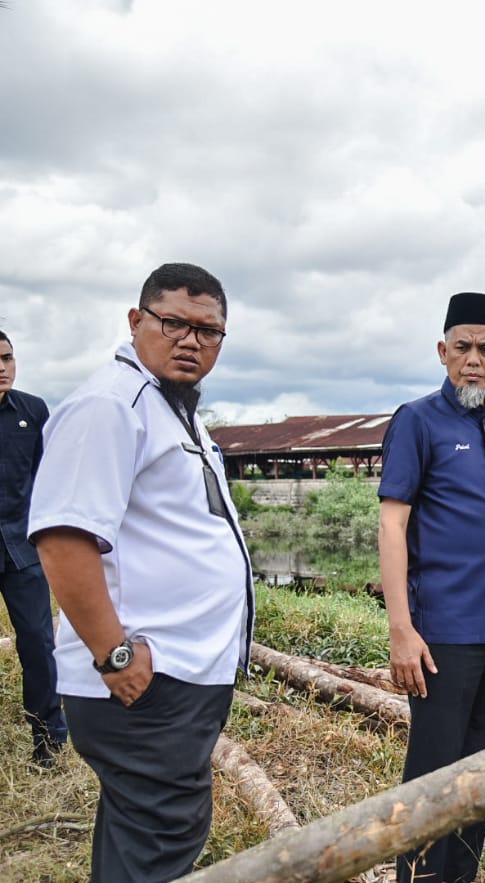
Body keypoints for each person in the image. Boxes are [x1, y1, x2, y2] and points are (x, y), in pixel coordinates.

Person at [28, 263, 254, 882]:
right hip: (145, 676)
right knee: (163, 836)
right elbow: (63, 537)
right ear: (136, 321)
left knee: (140, 835)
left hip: (177, 673)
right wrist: (116, 657)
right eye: (173, 322)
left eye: (208, 331)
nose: (190, 341)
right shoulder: (110, 404)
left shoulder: (169, 407)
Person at [378, 291, 485, 883]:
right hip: (442, 632)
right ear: (442, 352)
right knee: (434, 774)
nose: (473, 359)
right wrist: (401, 629)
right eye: (462, 347)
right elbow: (393, 523)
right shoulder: (418, 420)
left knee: (482, 773)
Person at [0, 330, 68, 770]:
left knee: (40, 644)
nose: (2, 367)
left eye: (7, 358)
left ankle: (48, 740)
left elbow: (49, 481)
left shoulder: (32, 410)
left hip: (21, 550)